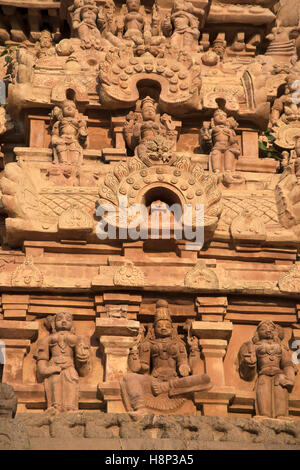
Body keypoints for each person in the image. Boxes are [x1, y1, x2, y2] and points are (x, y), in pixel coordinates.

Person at [121, 299, 212, 414]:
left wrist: (185, 364)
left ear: (172, 328)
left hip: (174, 383)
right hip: (154, 381)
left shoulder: (179, 345)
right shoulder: (147, 344)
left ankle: (167, 386)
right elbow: (142, 367)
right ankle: (140, 408)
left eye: (167, 325)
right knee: (128, 378)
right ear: (153, 329)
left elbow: (183, 364)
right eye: (159, 325)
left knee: (205, 379)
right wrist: (134, 350)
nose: (163, 328)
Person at [238, 320, 296, 418]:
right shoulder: (254, 346)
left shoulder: (281, 347)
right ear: (257, 333)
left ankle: (281, 415)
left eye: (272, 329)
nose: (268, 330)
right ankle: (264, 414)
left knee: (280, 390)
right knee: (263, 390)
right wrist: (250, 363)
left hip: (279, 373)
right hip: (263, 373)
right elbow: (248, 367)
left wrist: (290, 378)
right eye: (263, 329)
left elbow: (287, 364)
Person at [36, 312, 90, 413]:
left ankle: (70, 407)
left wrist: (83, 358)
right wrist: (45, 369)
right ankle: (55, 406)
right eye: (60, 319)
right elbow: (42, 359)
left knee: (71, 379)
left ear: (72, 325)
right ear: (53, 324)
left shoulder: (77, 339)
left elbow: (82, 366)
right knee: (55, 381)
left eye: (68, 320)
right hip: (53, 367)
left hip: (70, 366)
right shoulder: (47, 340)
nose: (64, 321)